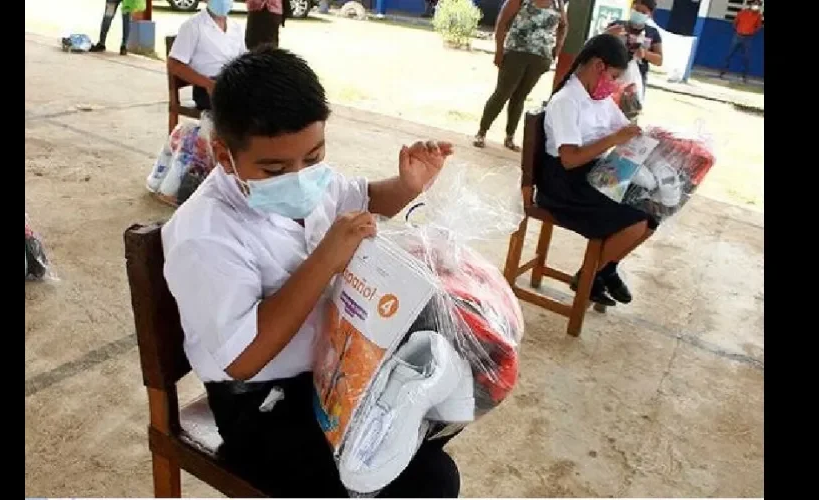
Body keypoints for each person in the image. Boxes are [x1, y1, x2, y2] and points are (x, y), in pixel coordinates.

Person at [161, 47, 461, 497]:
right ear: (224, 154)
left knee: (443, 414)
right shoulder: (203, 236)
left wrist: (406, 186)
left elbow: (363, 197)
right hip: (262, 406)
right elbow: (243, 359)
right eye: (275, 168)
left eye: (314, 156)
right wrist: (325, 260)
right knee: (420, 481)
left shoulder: (313, 184)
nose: (300, 177)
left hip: (329, 376)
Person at [537, 34, 657, 306]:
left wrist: (646, 136)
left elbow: (623, 127)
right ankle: (593, 275)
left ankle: (603, 270)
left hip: (591, 175)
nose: (613, 84)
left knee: (653, 213)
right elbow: (569, 159)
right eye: (614, 77)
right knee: (636, 220)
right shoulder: (567, 100)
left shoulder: (598, 97)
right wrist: (614, 139)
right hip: (564, 185)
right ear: (599, 67)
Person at [474, 0, 567, 152]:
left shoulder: (558, 2)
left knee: (520, 97)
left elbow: (564, 26)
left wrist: (557, 48)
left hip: (540, 57)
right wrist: (498, 51)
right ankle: (482, 132)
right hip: (516, 53)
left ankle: (510, 136)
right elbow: (502, 22)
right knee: (502, 94)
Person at [167, 0, 246, 111]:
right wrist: (209, 84)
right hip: (206, 88)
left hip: (232, 82)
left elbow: (243, 60)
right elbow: (174, 64)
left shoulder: (236, 27)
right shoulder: (193, 25)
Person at [604, 0, 663, 92]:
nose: (639, 14)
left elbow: (659, 60)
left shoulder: (652, 33)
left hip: (636, 80)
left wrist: (644, 54)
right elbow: (599, 46)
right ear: (631, 7)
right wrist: (607, 35)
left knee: (630, 105)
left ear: (650, 15)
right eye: (637, 9)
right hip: (611, 76)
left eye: (643, 12)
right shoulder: (616, 26)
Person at [720, 0, 763, 82]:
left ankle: (744, 76)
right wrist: (738, 31)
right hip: (738, 35)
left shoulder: (758, 16)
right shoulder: (742, 12)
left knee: (746, 57)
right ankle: (722, 73)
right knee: (729, 54)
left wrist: (751, 32)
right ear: (751, 4)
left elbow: (758, 27)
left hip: (748, 38)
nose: (756, 6)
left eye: (758, 5)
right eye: (755, 4)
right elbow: (735, 23)